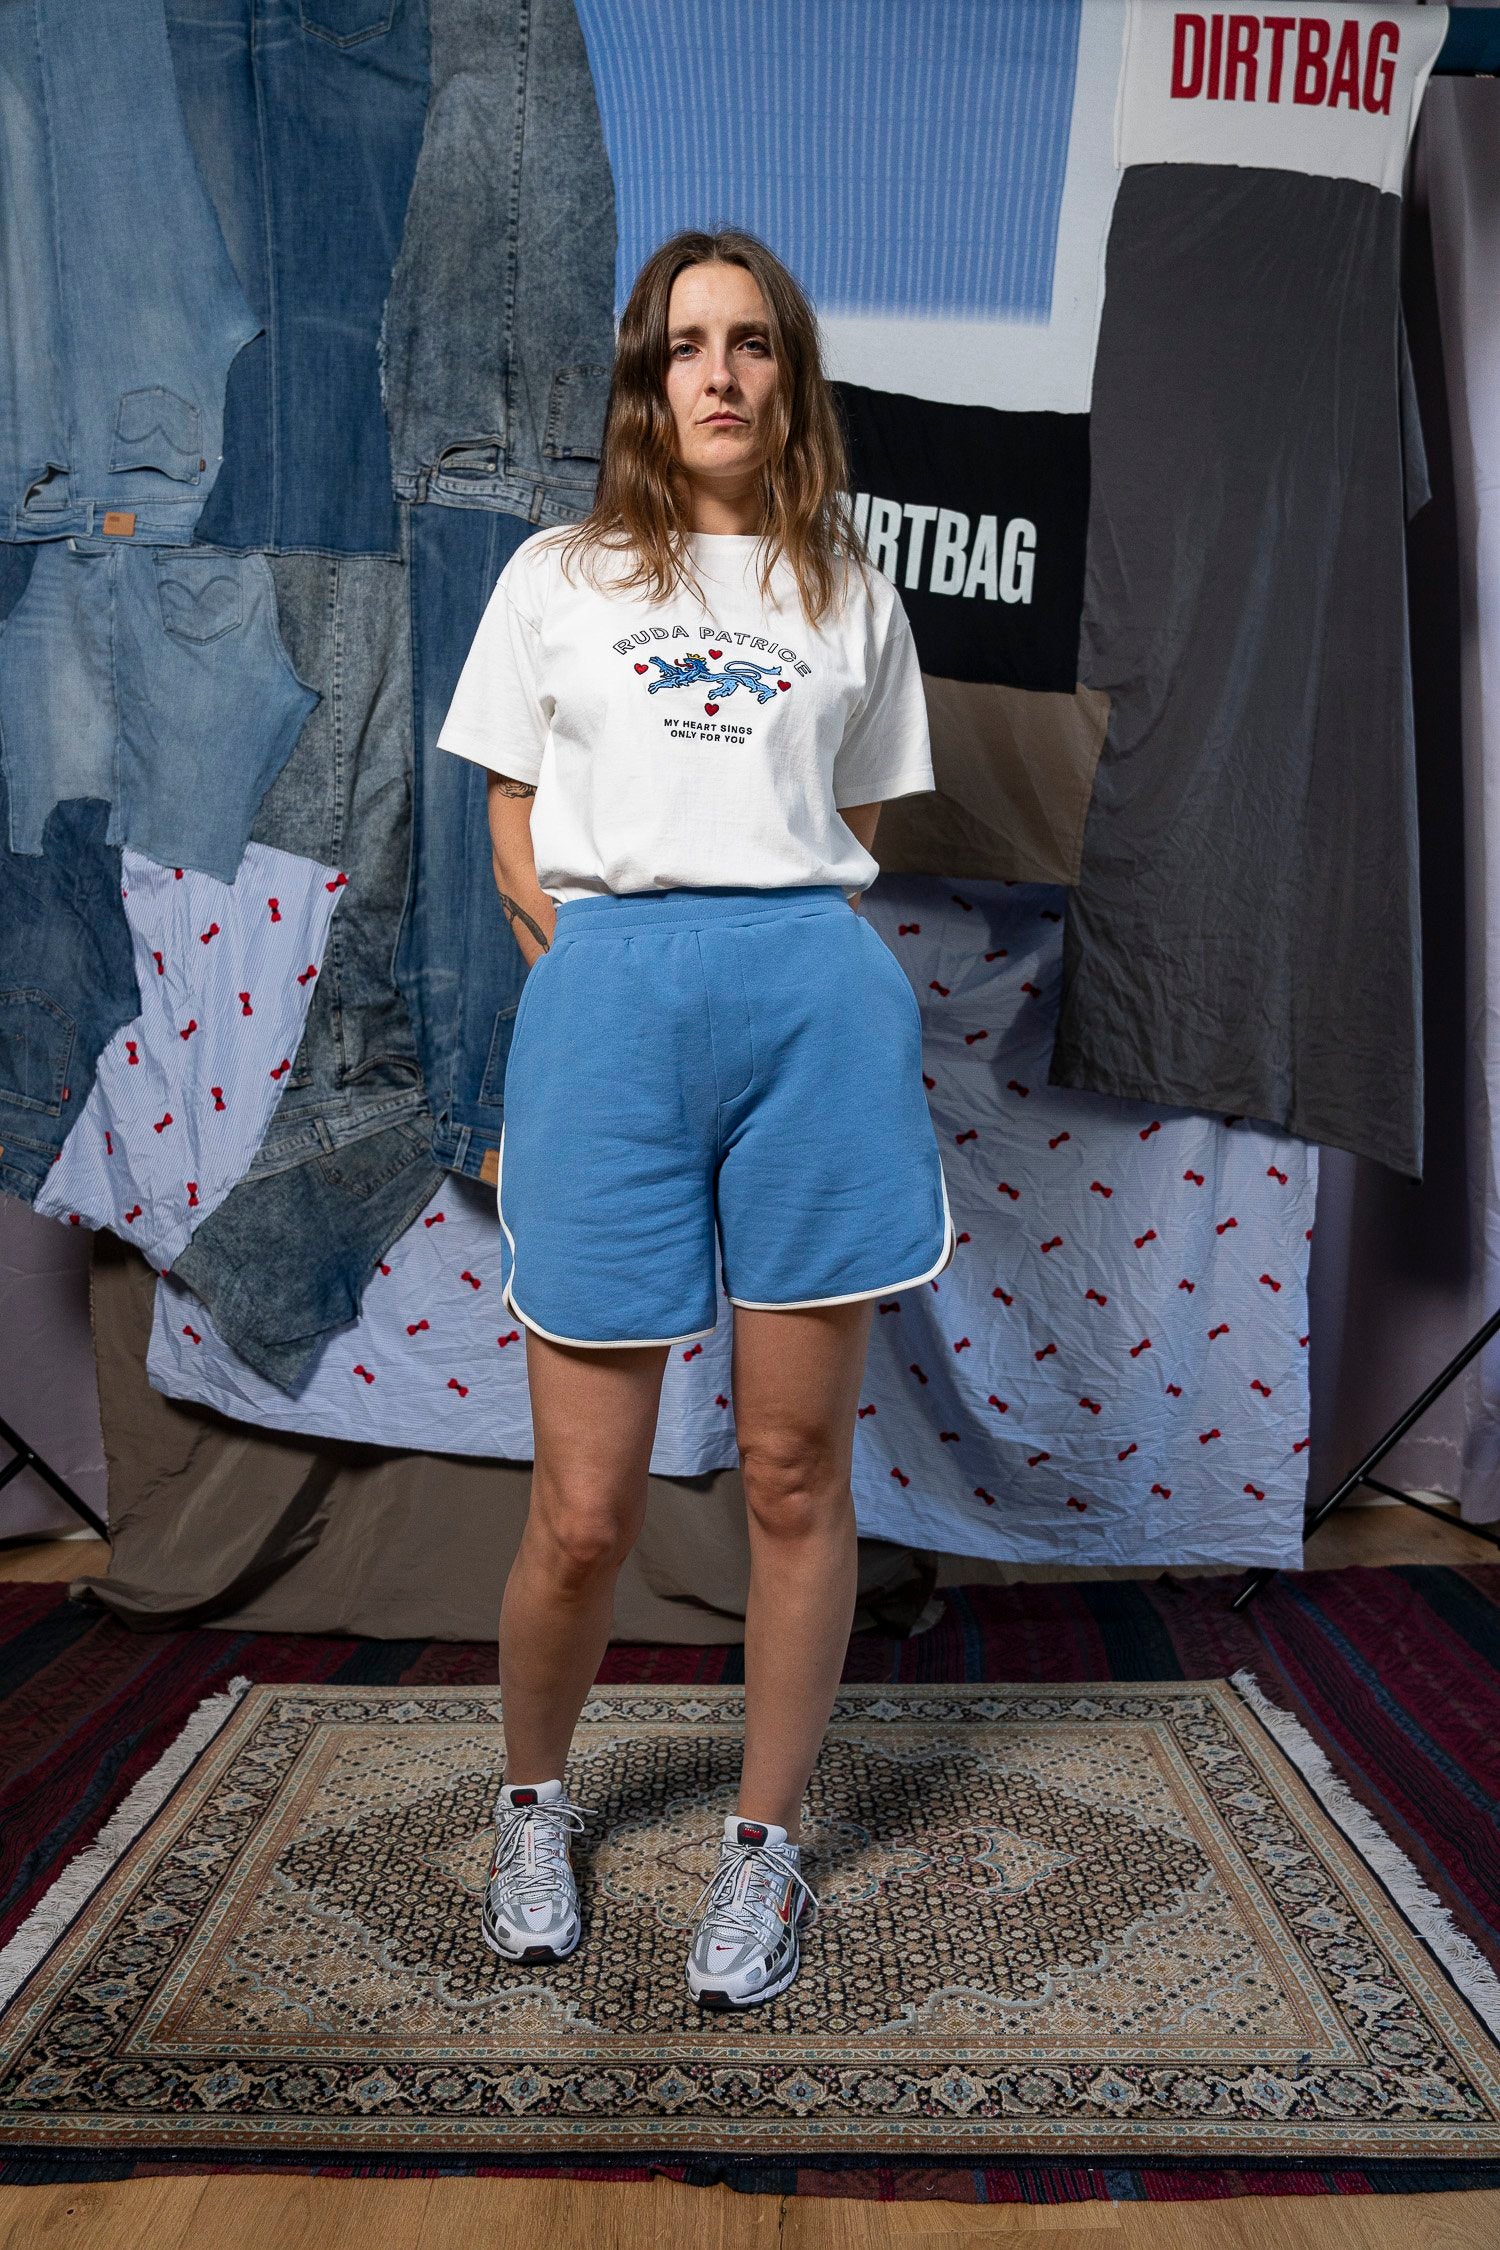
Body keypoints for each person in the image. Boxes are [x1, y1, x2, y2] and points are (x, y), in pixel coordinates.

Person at [435, 227, 954, 2010]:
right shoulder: (553, 577)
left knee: (797, 1472)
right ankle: (530, 1802)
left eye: (750, 343)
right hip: (610, 1015)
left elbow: (867, 825)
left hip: (810, 1017)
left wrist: (773, 932)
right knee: (582, 1508)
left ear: (788, 374)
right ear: (645, 380)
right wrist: (599, 956)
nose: (719, 372)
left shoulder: (846, 585)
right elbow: (509, 811)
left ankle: (765, 1848)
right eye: (685, 345)